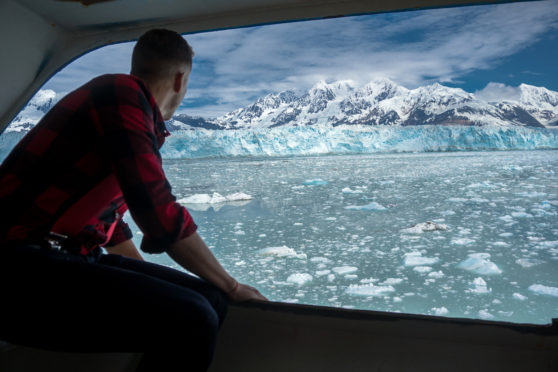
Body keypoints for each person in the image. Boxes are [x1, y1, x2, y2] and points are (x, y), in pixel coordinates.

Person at [0, 29, 267, 371]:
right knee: (193, 317)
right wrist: (232, 284)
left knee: (211, 300)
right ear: (180, 79)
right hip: (15, 262)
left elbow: (110, 225)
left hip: (65, 256)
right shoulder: (120, 94)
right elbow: (155, 206)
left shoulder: (124, 105)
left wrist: (153, 283)